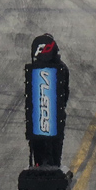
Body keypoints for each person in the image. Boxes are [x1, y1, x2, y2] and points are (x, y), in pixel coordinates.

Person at [23, 33, 70, 167]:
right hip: (55, 119)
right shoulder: (61, 69)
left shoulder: (35, 71)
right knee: (54, 149)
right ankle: (53, 166)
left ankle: (40, 165)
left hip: (38, 121)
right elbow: (65, 95)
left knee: (39, 145)